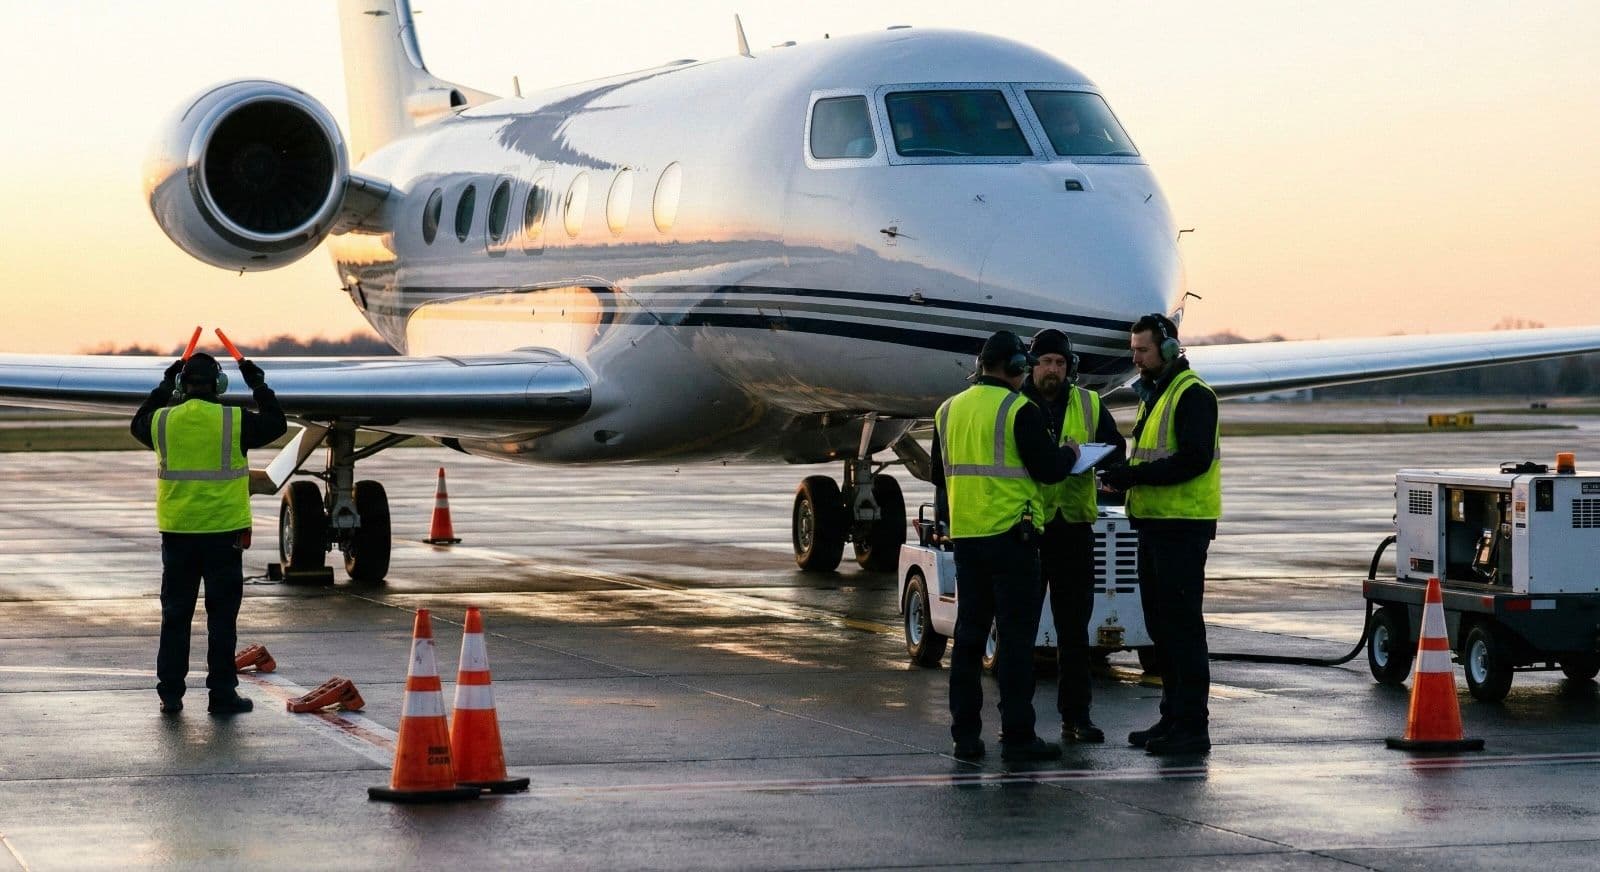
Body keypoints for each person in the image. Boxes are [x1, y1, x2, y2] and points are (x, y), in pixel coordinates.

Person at [930, 330, 1080, 763]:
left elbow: (939, 475)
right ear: (1016, 367)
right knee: (1015, 644)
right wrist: (1070, 452)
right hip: (1014, 540)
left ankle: (965, 735)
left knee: (969, 639)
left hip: (969, 541)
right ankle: (1017, 735)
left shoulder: (947, 410)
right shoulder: (1020, 409)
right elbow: (1049, 471)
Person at [130, 352, 286, 715]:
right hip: (223, 533)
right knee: (221, 619)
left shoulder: (162, 421)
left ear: (183, 385)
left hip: (178, 533)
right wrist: (258, 384)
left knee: (175, 616)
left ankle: (170, 694)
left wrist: (162, 387)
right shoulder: (234, 420)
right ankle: (221, 694)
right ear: (219, 385)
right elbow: (276, 424)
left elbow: (137, 422)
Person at [1099, 314, 1221, 756]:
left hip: (1182, 529)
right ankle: (1172, 718)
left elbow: (1194, 460)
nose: (1135, 359)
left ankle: (1193, 727)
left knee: (1183, 630)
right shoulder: (1157, 395)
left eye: (1142, 351)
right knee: (1161, 628)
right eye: (1133, 351)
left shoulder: (1193, 396)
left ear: (1169, 349)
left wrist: (1133, 477)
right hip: (1154, 527)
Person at [1021, 329, 1125, 744]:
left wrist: (1094, 456)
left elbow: (1117, 447)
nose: (1053, 370)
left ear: (1069, 368)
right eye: (1046, 362)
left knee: (1074, 631)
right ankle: (1019, 723)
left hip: (1075, 528)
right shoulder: (1016, 403)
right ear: (1032, 365)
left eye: (1060, 364)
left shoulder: (1089, 402)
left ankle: (1076, 717)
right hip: (1030, 527)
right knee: (1021, 629)